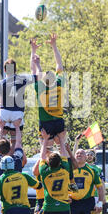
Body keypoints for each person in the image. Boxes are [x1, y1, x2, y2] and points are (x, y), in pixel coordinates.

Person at [31, 34, 78, 192]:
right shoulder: (59, 85)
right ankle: (70, 180)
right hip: (58, 121)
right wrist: (54, 45)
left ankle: (45, 178)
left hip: (46, 124)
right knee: (63, 149)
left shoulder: (41, 88)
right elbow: (60, 65)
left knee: (45, 152)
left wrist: (35, 57)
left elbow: (36, 72)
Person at [0, 58, 37, 149]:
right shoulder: (23, 79)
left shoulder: (1, 83)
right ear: (15, 70)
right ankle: (13, 160)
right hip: (17, 113)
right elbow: (35, 76)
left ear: (5, 70)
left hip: (5, 113)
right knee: (14, 141)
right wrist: (33, 51)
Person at [32, 129, 74, 214]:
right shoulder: (65, 169)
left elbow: (41, 157)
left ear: (48, 162)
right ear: (60, 162)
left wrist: (45, 140)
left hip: (48, 207)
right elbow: (64, 154)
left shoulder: (45, 172)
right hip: (64, 207)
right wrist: (61, 139)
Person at [69, 147, 105, 214]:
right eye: (77, 153)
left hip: (88, 202)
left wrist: (100, 203)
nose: (79, 155)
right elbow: (65, 186)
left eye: (81, 153)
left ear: (86, 157)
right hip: (73, 203)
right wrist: (67, 195)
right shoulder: (69, 170)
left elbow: (100, 187)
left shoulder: (92, 170)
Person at [79, 149, 104, 214]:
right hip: (84, 196)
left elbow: (102, 183)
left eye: (91, 154)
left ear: (94, 157)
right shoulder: (80, 167)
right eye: (87, 154)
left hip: (95, 196)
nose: (89, 156)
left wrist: (103, 197)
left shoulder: (97, 169)